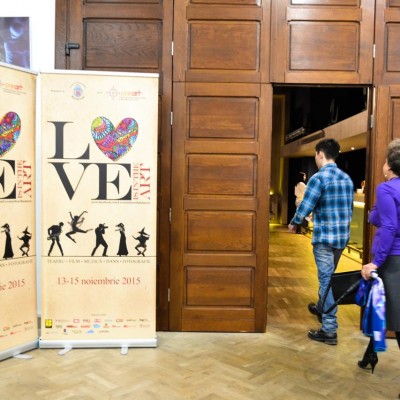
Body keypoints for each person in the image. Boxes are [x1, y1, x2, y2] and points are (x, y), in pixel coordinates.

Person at [288, 138, 354, 345]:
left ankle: (329, 329)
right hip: (341, 238)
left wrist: (294, 222)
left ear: (320, 154)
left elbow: (306, 205)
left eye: (316, 155)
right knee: (329, 277)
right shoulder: (346, 179)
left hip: (325, 238)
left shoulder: (319, 178)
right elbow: (348, 210)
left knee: (326, 281)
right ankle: (320, 308)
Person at [358, 139, 400, 376]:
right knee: (383, 307)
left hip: (393, 260)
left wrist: (376, 262)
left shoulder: (386, 189)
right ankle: (370, 354)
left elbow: (387, 225)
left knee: (393, 315)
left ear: (389, 166)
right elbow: (376, 218)